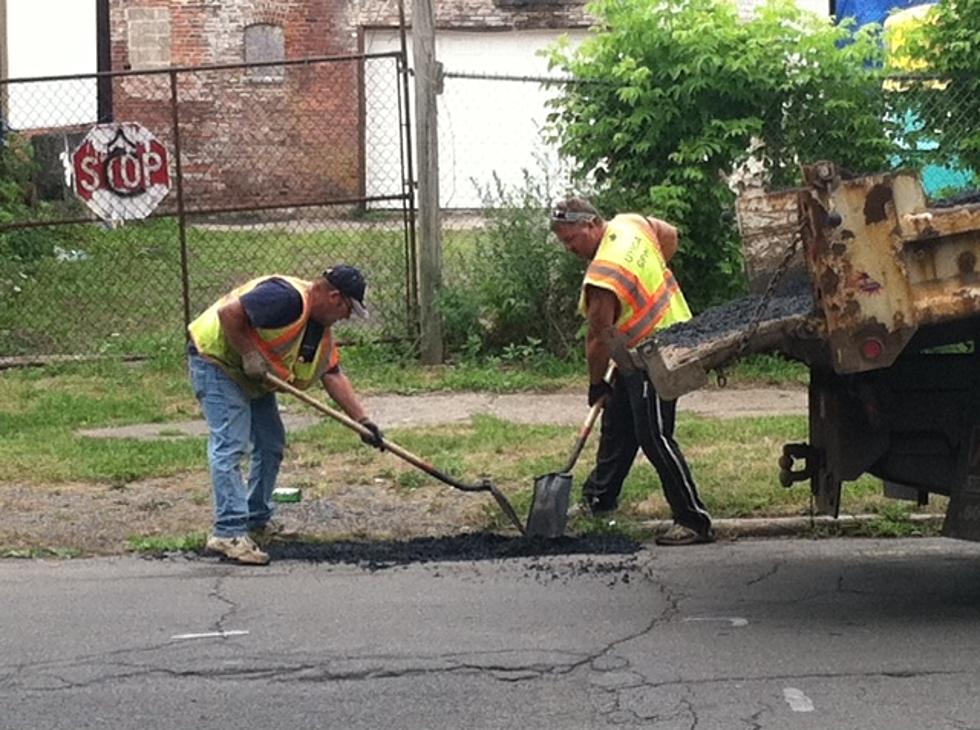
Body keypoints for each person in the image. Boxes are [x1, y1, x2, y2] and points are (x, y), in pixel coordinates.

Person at [187, 265, 384, 565]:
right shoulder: (286, 298)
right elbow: (229, 313)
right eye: (347, 308)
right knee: (231, 443)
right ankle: (227, 532)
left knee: (271, 443)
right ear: (334, 296)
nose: (346, 317)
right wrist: (250, 354)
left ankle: (256, 519)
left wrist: (362, 421)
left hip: (252, 375)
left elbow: (331, 373)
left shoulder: (319, 331)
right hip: (217, 361)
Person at [550, 198, 713, 546]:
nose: (570, 249)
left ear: (592, 224)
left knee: (654, 436)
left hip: (656, 356)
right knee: (618, 422)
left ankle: (693, 519)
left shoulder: (603, 275)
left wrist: (596, 385)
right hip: (666, 337)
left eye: (572, 240)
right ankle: (600, 498)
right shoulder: (630, 224)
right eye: (564, 243)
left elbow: (596, 340)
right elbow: (669, 233)